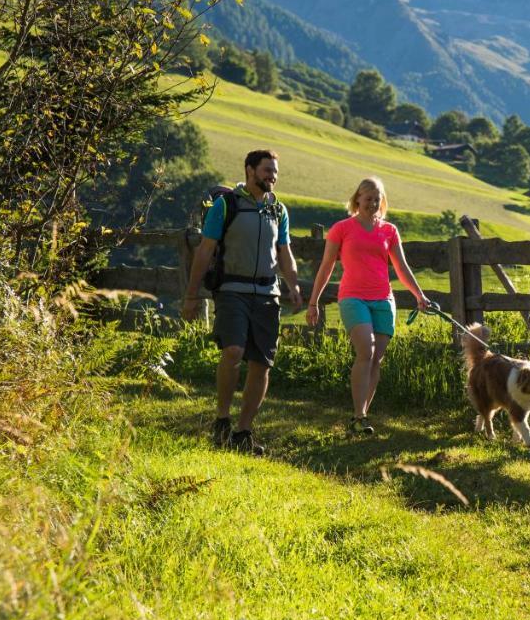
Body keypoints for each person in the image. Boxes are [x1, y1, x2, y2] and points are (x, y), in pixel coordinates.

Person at [182, 150, 303, 455]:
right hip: (231, 290)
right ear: (250, 170)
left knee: (262, 364)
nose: (272, 177)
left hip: (267, 294)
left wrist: (294, 285)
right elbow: (205, 250)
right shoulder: (227, 206)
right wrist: (192, 294)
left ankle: (243, 431)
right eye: (266, 171)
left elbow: (285, 253)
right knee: (233, 351)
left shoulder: (278, 210)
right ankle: (222, 420)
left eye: (274, 172)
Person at [307, 176, 429, 436]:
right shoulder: (341, 228)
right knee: (366, 350)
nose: (372, 203)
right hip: (353, 297)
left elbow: (401, 267)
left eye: (377, 199)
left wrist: (419, 295)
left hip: (384, 299)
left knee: (376, 359)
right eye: (368, 198)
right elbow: (327, 266)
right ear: (357, 199)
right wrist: (313, 301)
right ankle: (358, 414)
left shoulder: (389, 231)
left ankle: (361, 415)